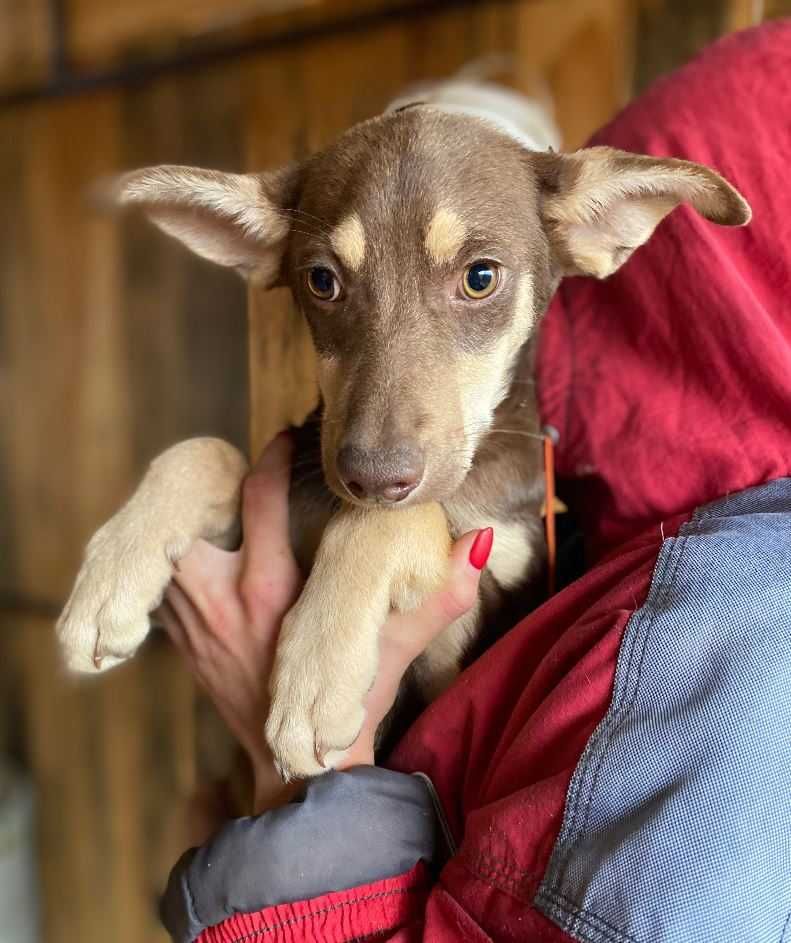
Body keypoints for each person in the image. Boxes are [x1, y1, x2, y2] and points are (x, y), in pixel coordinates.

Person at [157, 22, 791, 943]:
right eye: (332, 280)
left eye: (480, 276)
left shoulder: (735, 641)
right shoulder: (629, 556)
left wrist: (291, 787)